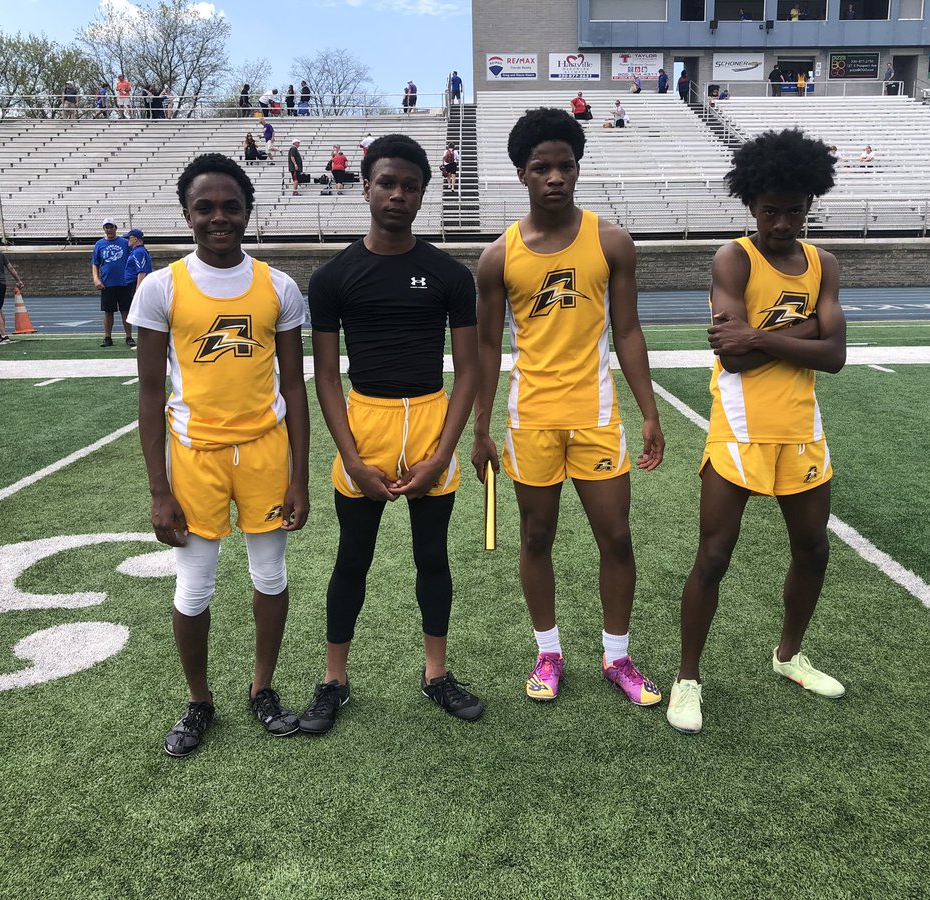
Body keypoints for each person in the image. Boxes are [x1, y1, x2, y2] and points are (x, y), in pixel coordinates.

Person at [473, 108, 666, 707]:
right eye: (541, 168)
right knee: (537, 537)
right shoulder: (496, 256)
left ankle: (617, 656)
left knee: (617, 538)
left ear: (578, 170)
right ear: (521, 175)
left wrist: (649, 411)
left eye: (565, 166)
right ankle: (548, 651)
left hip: (598, 416)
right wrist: (479, 428)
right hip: (531, 419)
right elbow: (484, 345)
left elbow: (628, 332)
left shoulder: (611, 241)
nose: (554, 177)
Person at [665, 129, 846, 735]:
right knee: (714, 556)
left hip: (801, 429)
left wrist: (760, 337)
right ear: (752, 205)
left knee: (813, 548)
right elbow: (733, 358)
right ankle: (687, 678)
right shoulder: (733, 258)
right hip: (740, 428)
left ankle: (789, 655)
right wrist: (800, 342)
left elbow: (837, 354)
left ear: (809, 204)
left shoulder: (824, 264)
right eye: (771, 209)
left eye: (795, 209)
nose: (783, 222)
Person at [130, 153, 310, 757]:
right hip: (194, 457)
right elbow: (151, 395)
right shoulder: (160, 288)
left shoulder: (277, 286)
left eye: (231, 206)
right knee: (194, 587)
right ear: (186, 213)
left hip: (265, 452)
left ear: (248, 212)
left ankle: (262, 689)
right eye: (204, 207)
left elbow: (294, 388)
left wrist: (299, 478)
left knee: (270, 575)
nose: (218, 217)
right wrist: (159, 491)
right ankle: (199, 700)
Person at [303, 133, 483, 733]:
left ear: (424, 192)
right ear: (365, 187)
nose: (398, 194)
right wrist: (351, 459)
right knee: (351, 559)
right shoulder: (333, 277)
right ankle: (334, 680)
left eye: (411, 185)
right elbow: (325, 377)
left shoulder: (448, 274)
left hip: (431, 422)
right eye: (387, 182)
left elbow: (470, 371)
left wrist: (443, 453)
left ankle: (436, 674)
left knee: (432, 557)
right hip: (366, 424)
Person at [92, 218, 133, 348]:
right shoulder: (99, 244)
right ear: (104, 229)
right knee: (108, 311)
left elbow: (132, 259)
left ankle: (129, 336)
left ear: (116, 228)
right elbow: (95, 263)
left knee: (125, 310)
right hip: (107, 283)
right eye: (106, 227)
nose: (109, 230)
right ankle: (108, 337)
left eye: (111, 227)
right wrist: (96, 278)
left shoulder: (125, 243)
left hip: (124, 282)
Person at [121, 228, 153, 343]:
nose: (127, 241)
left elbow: (141, 271)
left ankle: (145, 341)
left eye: (129, 238)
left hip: (136, 283)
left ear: (135, 239)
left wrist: (138, 290)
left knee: (142, 314)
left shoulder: (138, 252)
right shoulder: (138, 251)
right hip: (134, 283)